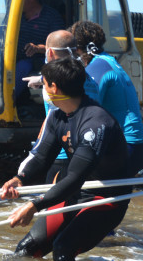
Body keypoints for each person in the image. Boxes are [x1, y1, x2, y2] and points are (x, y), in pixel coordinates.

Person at [1, 56, 129, 261]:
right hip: (72, 194)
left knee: (63, 250)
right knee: (26, 250)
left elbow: (75, 177)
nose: (42, 87)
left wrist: (34, 206)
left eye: (44, 83)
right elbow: (42, 157)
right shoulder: (57, 117)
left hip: (105, 198)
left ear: (54, 87)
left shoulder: (96, 122)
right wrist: (19, 179)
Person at [69, 21, 143, 176]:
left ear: (78, 48)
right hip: (135, 144)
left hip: (126, 145)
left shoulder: (96, 67)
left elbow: (84, 112)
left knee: (92, 197)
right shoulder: (108, 61)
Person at [25, 29, 102, 184]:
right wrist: (41, 79)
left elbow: (51, 121)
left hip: (61, 153)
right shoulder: (83, 75)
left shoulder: (59, 84)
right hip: (86, 151)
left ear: (50, 53)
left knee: (55, 205)